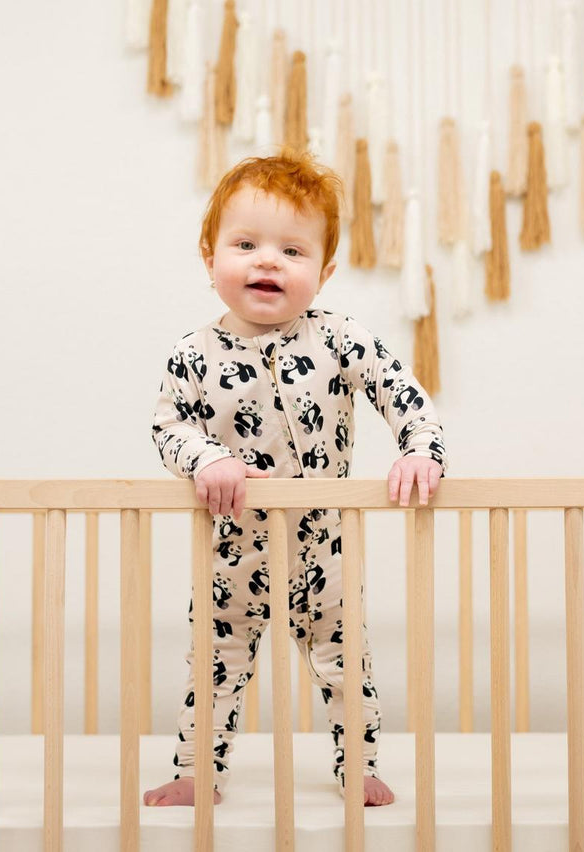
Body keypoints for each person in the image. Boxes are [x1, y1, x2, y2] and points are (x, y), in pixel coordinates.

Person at [146, 151, 447, 808]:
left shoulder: (340, 338)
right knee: (215, 662)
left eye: (292, 250)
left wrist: (419, 451)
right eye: (246, 245)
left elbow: (408, 399)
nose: (268, 262)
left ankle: (358, 765)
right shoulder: (193, 354)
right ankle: (197, 772)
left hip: (323, 546)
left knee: (346, 663)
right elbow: (167, 428)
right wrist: (207, 458)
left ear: (324, 272)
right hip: (232, 546)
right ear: (209, 258)